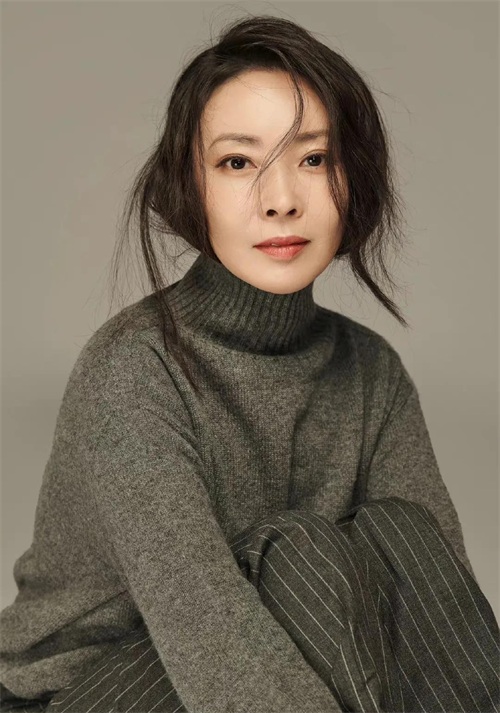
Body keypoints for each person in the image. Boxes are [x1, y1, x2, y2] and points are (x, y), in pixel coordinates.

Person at [1, 13, 498, 713]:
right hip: (86, 689)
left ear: (352, 178)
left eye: (314, 159)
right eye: (237, 162)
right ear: (190, 187)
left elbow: (437, 606)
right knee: (302, 554)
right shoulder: (133, 370)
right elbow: (209, 632)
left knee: (401, 536)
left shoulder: (371, 370)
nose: (281, 200)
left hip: (268, 675)